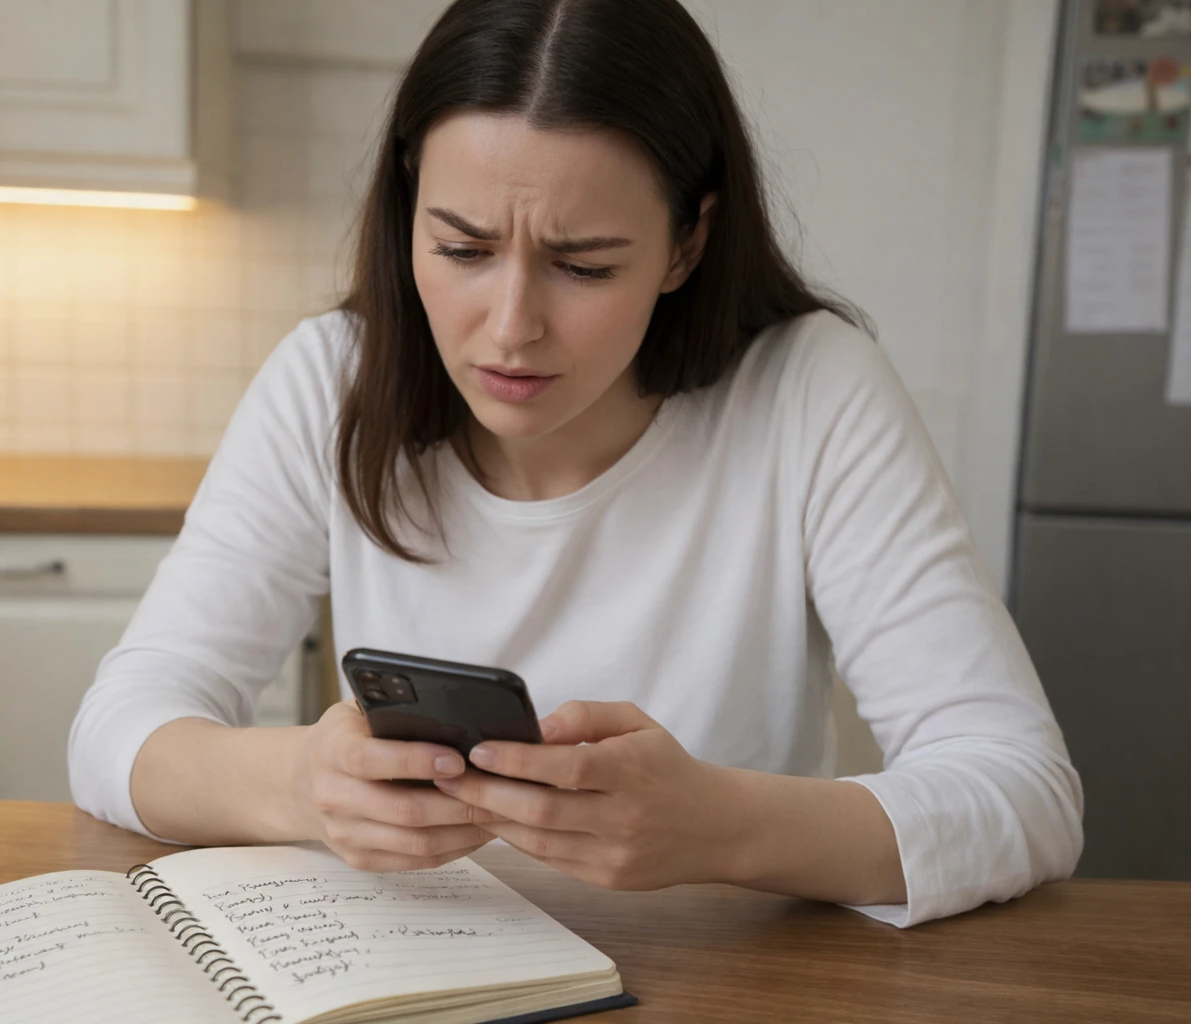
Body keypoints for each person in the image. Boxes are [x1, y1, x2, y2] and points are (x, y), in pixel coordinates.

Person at [68, 0, 1082, 927]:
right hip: (421, 979)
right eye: (462, 249)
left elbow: (1023, 789)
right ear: (408, 208)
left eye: (584, 265)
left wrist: (720, 826)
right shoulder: (331, 381)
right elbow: (119, 726)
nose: (511, 329)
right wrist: (302, 784)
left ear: (688, 243)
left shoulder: (811, 391)